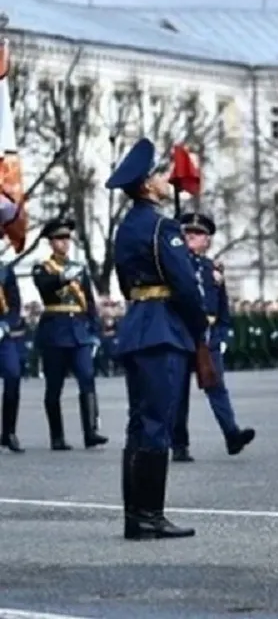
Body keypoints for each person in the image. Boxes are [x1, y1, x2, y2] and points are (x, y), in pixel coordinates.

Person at [107, 137, 209, 539]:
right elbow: (184, 284)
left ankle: (137, 514)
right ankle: (149, 515)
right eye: (157, 175)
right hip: (163, 328)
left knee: (139, 424)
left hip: (138, 324)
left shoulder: (127, 227)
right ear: (146, 186)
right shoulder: (162, 227)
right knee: (156, 425)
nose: (166, 179)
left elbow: (122, 280)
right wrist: (199, 326)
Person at [171, 212, 255, 462]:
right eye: (187, 233)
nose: (189, 238)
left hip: (207, 335)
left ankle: (232, 434)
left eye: (196, 234)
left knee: (216, 386)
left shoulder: (212, 269)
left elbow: (222, 308)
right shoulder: (175, 265)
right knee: (178, 392)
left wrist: (221, 335)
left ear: (206, 240)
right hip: (182, 331)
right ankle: (179, 444)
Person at [31, 217, 106, 451]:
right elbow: (44, 286)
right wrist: (64, 277)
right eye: (59, 239)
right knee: (54, 386)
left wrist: (94, 330)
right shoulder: (42, 267)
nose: (64, 243)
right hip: (55, 331)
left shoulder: (80, 268)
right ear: (51, 242)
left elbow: (90, 302)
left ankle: (91, 431)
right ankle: (57, 436)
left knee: (87, 377)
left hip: (79, 332)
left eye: (66, 239)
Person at [0, 260, 23, 452]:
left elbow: (15, 304)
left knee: (13, 375)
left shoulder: (4, 270)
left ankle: (9, 432)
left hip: (1, 332)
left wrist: (6, 325)